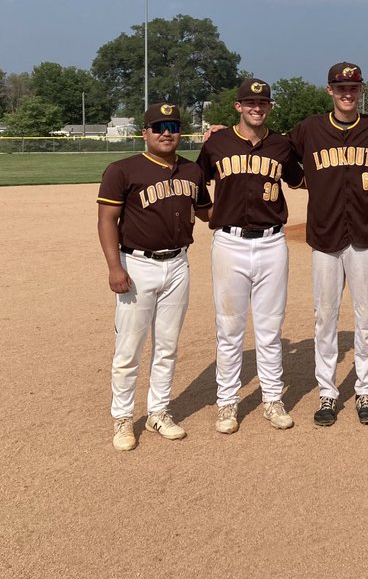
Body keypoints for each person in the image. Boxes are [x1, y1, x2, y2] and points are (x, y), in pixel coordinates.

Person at [97, 103, 211, 452]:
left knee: (167, 345)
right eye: (158, 126)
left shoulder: (192, 172)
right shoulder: (122, 170)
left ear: (180, 132)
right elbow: (106, 221)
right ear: (145, 132)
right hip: (137, 265)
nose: (166, 132)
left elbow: (208, 213)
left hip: (178, 264)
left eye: (173, 126)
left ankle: (159, 411)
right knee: (129, 347)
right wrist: (115, 267)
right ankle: (122, 417)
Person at [288, 62, 368, 427]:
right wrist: (223, 134)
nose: (347, 93)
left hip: (364, 237)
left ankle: (366, 389)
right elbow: (279, 155)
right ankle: (328, 393)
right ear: (329, 91)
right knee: (325, 318)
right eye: (340, 88)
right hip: (324, 237)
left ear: (360, 90)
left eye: (353, 88)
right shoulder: (309, 130)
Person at [197, 79, 305, 435]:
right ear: (238, 106)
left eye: (263, 102)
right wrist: (210, 215)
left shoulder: (281, 145)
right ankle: (227, 402)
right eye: (250, 102)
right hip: (230, 243)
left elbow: (298, 180)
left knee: (270, 328)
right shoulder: (217, 142)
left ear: (270, 107)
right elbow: (195, 183)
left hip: (273, 242)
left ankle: (273, 398)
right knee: (229, 328)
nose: (257, 107)